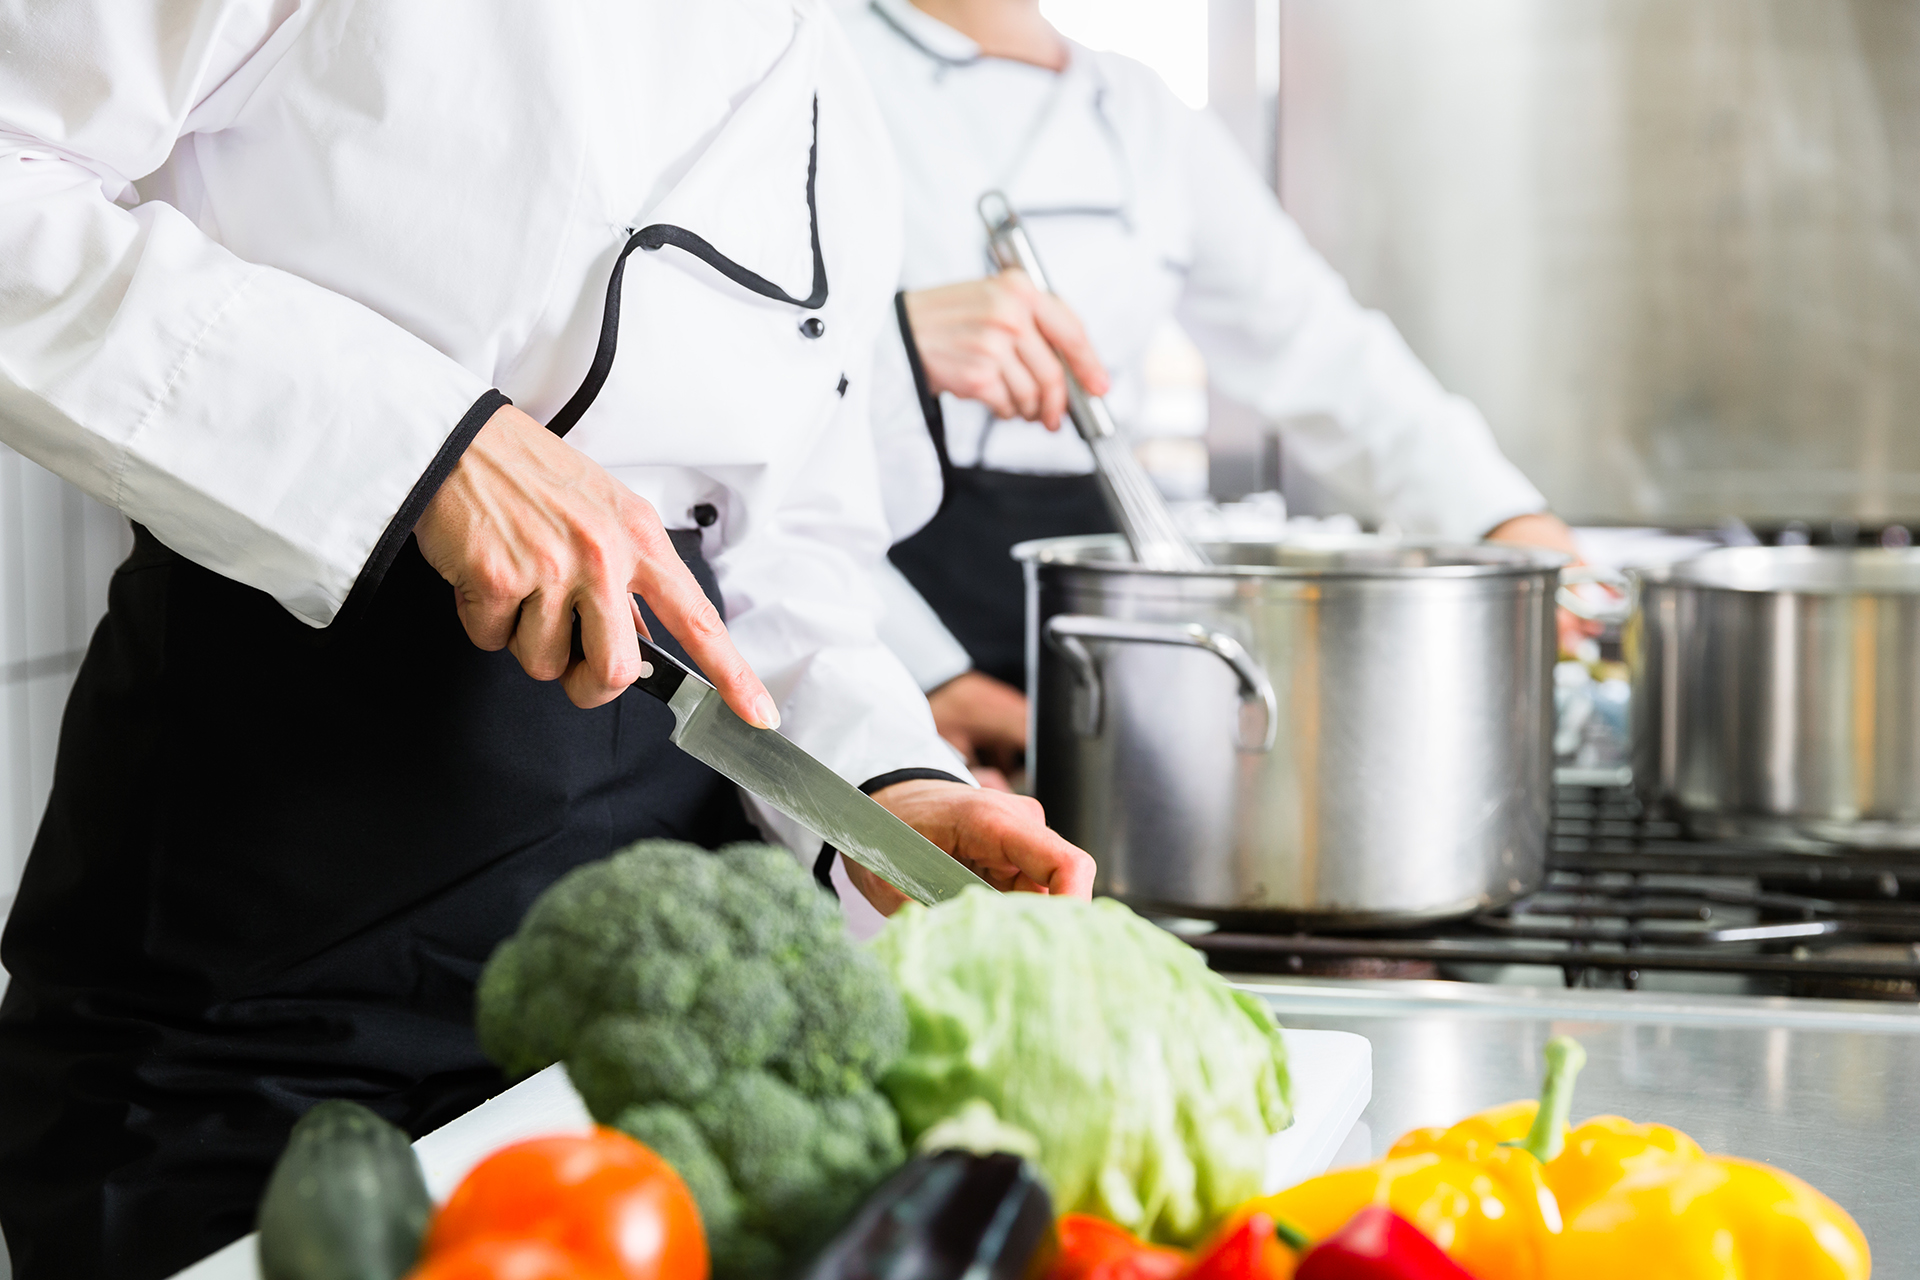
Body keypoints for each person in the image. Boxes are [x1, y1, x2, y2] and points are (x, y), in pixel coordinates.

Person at [0, 2, 1093, 1274]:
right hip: (270, 956)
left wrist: (891, 795)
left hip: (641, 1018)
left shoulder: (818, 83)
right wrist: (427, 442)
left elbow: (782, 550)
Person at [840, 0, 1588, 777]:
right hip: (870, 602)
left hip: (1091, 599)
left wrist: (1503, 518)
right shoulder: (817, 62)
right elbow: (743, 454)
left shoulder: (1140, 108)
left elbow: (1315, 343)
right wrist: (920, 676)